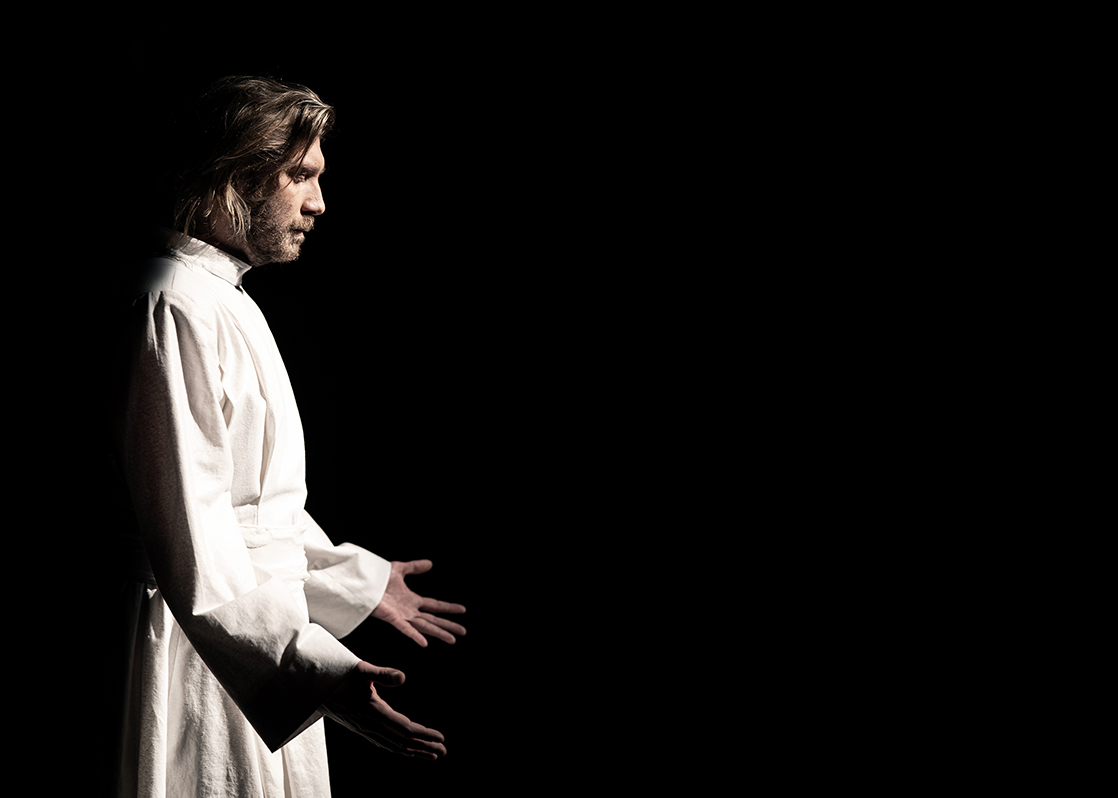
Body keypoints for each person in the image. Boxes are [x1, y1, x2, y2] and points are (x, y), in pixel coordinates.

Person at [111, 75, 466, 797]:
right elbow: (191, 531)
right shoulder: (173, 301)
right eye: (300, 175)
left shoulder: (220, 297)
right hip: (209, 657)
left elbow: (254, 508)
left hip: (257, 639)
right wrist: (307, 671)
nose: (318, 202)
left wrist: (352, 580)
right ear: (234, 174)